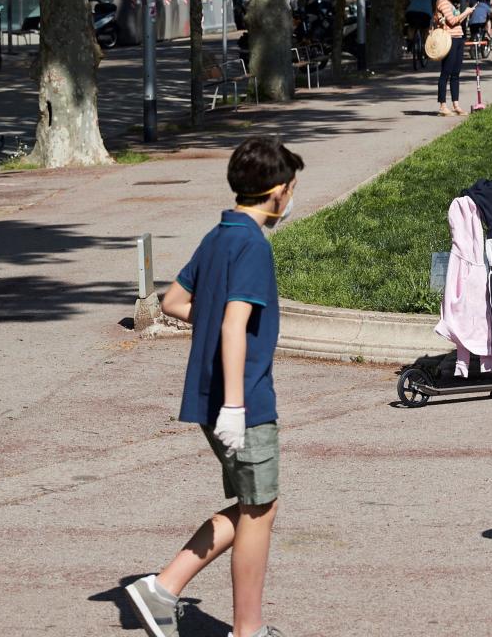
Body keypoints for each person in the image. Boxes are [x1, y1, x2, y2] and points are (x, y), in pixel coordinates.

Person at [125, 137, 300, 637]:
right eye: (291, 188)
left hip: (211, 396)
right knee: (260, 508)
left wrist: (218, 320)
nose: (291, 197)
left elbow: (175, 301)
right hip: (242, 399)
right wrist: (238, 405)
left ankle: (162, 588)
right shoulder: (251, 245)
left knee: (254, 505)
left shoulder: (221, 233)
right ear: (277, 193)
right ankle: (248, 630)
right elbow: (231, 325)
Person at [435, 0, 476, 116]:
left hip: (458, 38)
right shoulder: (443, 2)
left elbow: (456, 20)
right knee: (446, 72)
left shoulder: (449, 2)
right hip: (449, 39)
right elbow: (452, 21)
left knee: (456, 73)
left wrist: (465, 14)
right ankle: (442, 105)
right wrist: (466, 12)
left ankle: (456, 104)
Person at [405, 0, 436, 69]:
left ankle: (410, 42)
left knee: (411, 27)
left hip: (411, 12)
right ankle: (424, 48)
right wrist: (433, 12)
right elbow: (434, 1)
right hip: (425, 13)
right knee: (425, 30)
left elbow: (407, 0)